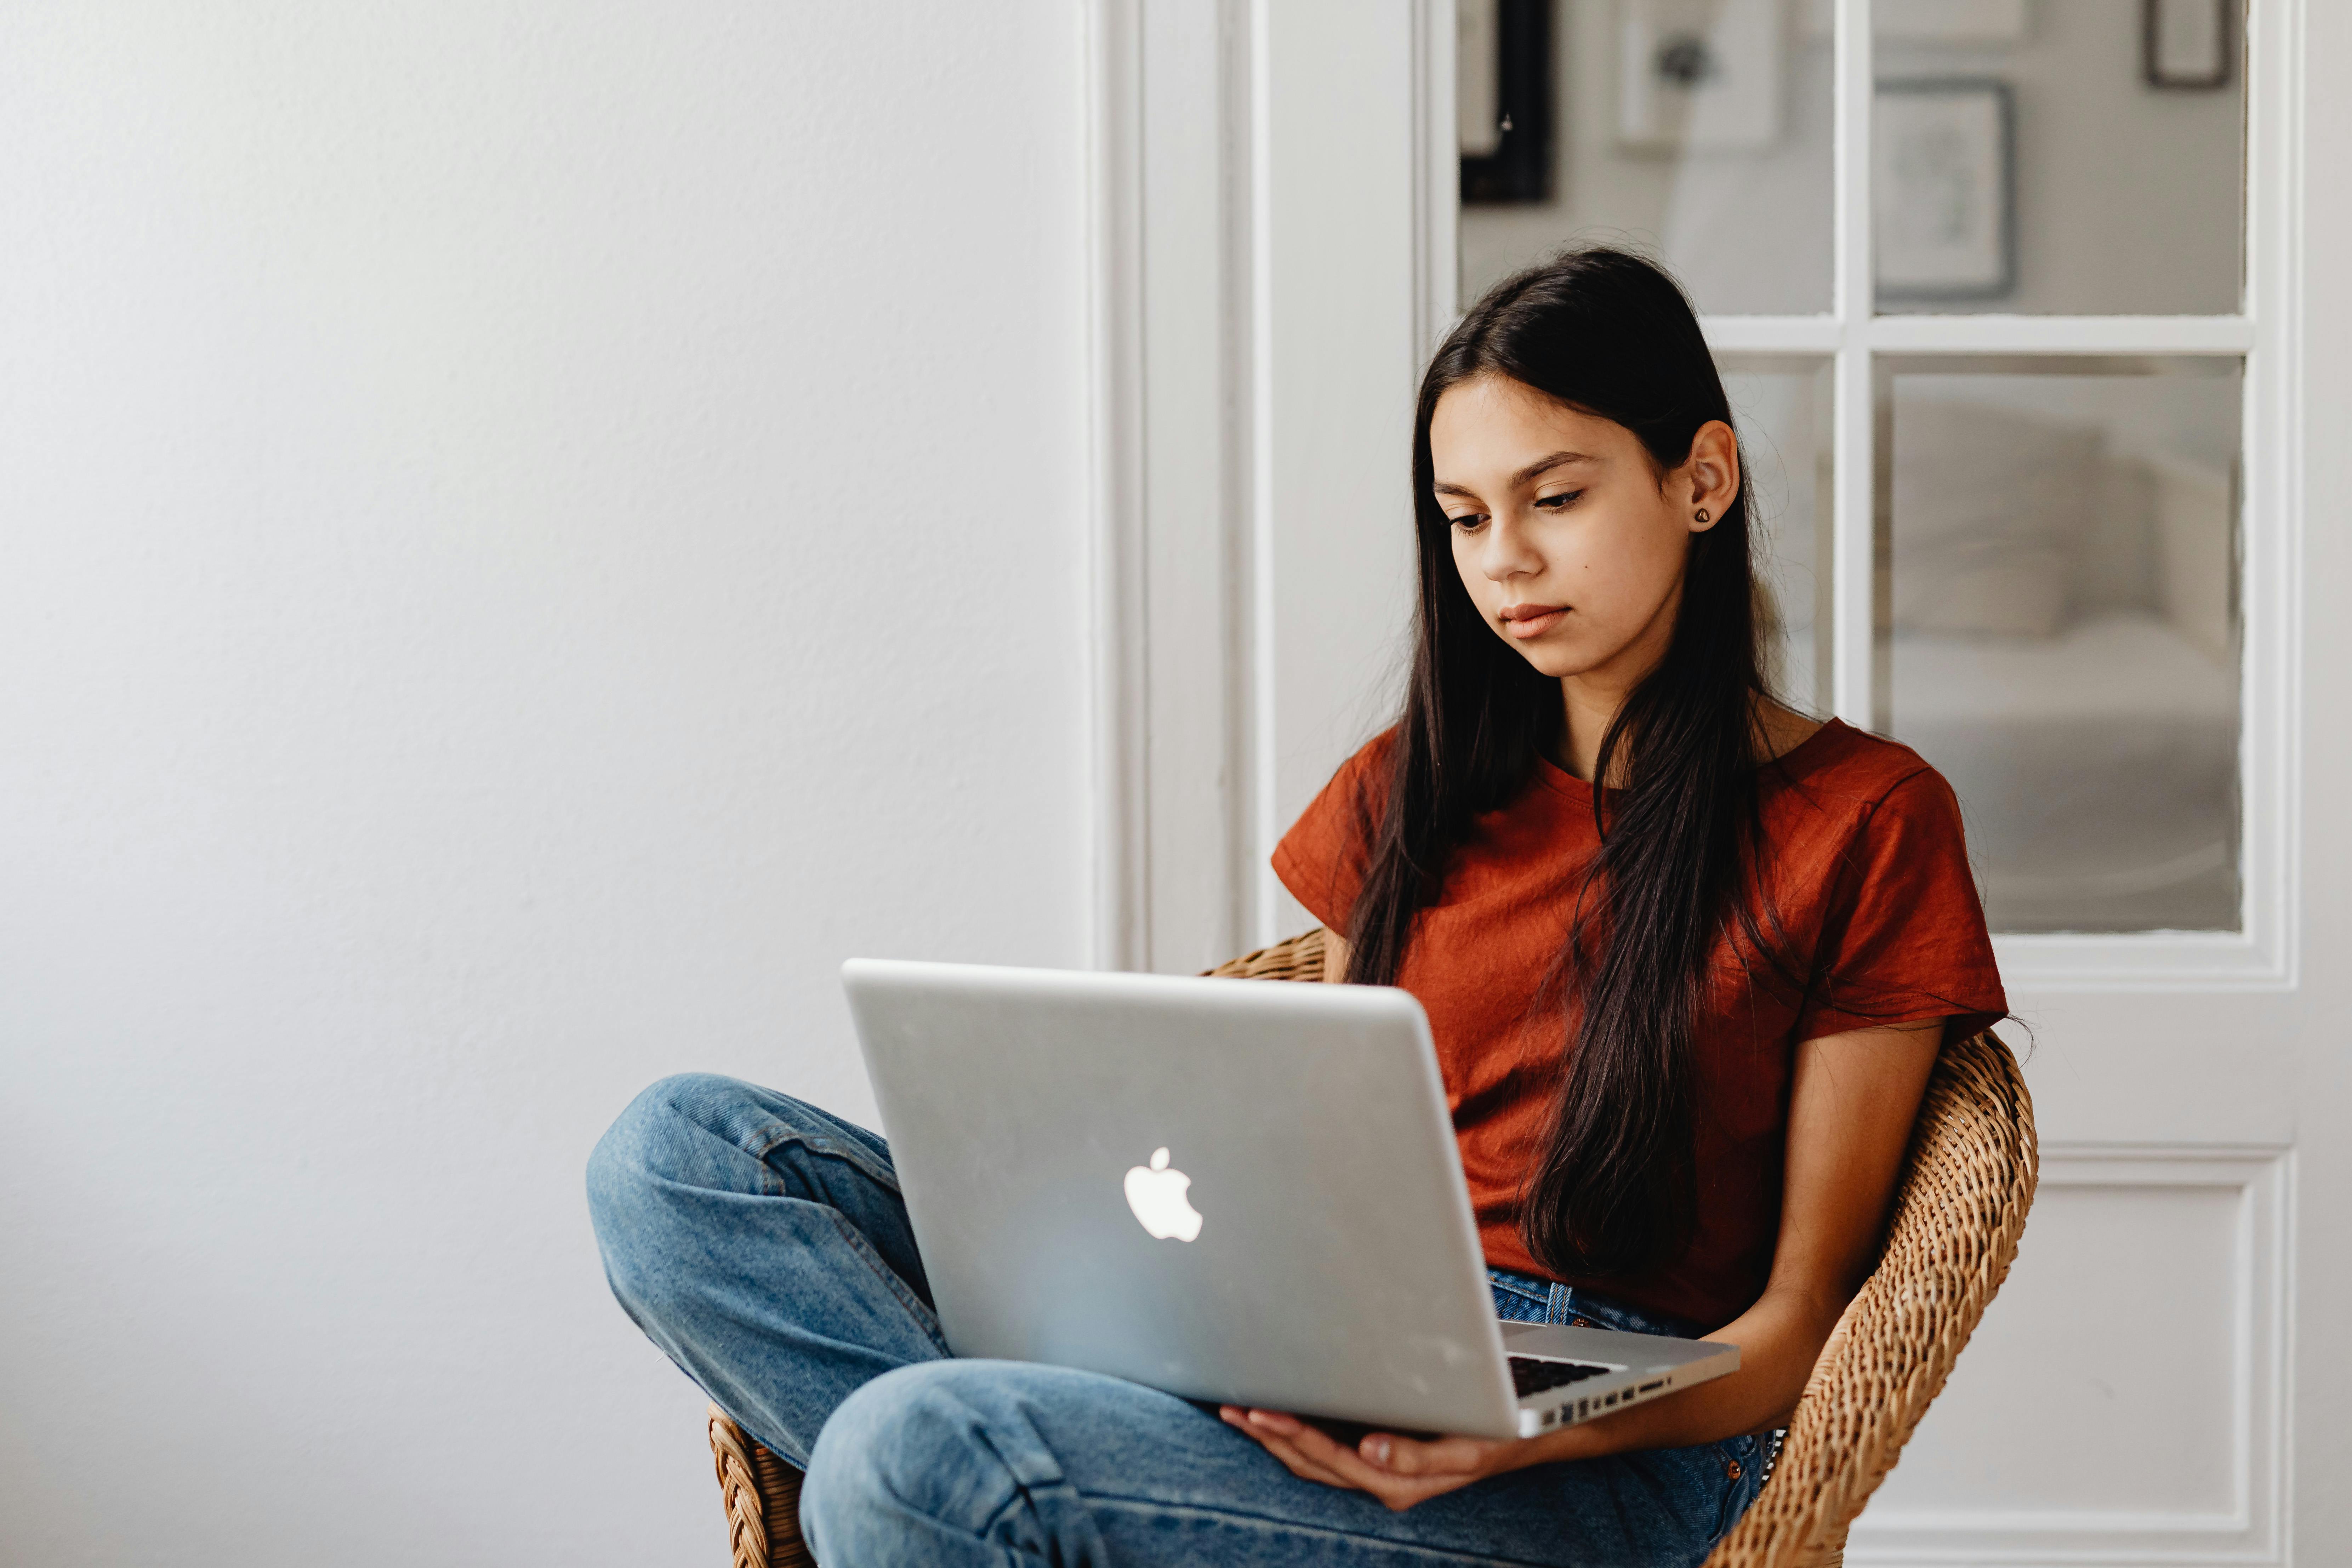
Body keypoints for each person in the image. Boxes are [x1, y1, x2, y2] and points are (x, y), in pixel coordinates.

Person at [586, 246, 2006, 1567]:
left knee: (905, 1457)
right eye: (1462, 517)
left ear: (1700, 481)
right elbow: (1305, 1152)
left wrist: (1516, 1417)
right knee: (675, 1159)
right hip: (1306, 1349)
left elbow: (1795, 1328)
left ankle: (975, 1485)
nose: (1502, 558)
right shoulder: (1411, 789)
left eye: (1553, 497)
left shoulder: (1868, 821)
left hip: (1598, 1454)